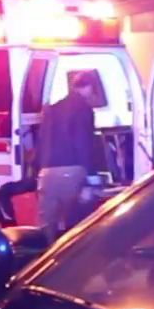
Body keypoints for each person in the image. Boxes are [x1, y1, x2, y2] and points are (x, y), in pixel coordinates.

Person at [35, 70, 101, 236]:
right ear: (88, 87)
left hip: (46, 173)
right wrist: (92, 175)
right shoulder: (83, 109)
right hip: (72, 171)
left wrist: (38, 171)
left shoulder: (52, 109)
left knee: (48, 227)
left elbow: (42, 141)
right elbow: (83, 143)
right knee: (78, 225)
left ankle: (50, 252)